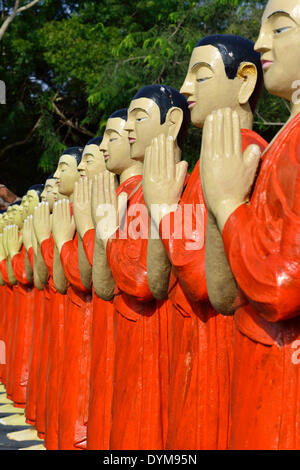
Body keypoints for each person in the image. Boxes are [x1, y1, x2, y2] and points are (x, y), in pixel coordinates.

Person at [143, 35, 267, 449]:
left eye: (200, 75)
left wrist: (162, 212)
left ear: (244, 82)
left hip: (218, 346)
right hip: (192, 343)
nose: (185, 88)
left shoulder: (246, 156)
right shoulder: (203, 168)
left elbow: (201, 278)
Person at [200, 0, 300, 449]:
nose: (260, 42)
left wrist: (226, 204)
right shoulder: (286, 137)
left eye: (279, 29)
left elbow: (280, 282)